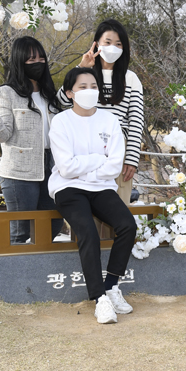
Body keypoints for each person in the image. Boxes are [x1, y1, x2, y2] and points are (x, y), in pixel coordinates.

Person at [49, 67, 137, 324]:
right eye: (82, 87)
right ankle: (100, 300)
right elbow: (65, 167)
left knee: (128, 226)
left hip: (101, 187)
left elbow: (114, 164)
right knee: (88, 232)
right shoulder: (61, 122)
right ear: (70, 93)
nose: (89, 91)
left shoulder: (109, 120)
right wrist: (97, 160)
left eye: (93, 86)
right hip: (68, 189)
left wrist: (86, 168)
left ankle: (111, 286)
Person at [57, 19, 145, 206]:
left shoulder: (130, 78)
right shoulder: (85, 74)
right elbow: (61, 102)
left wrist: (131, 158)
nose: (113, 47)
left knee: (118, 207)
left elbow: (136, 120)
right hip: (84, 148)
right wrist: (81, 67)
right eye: (108, 42)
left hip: (116, 151)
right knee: (84, 207)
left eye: (118, 44)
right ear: (97, 43)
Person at [0, 36, 63, 244]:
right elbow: (3, 135)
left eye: (40, 58)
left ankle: (38, 273)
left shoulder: (50, 94)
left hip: (53, 169)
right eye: (30, 59)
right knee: (21, 231)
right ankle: (10, 273)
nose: (37, 63)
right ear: (19, 62)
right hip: (19, 172)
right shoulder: (6, 92)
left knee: (53, 224)